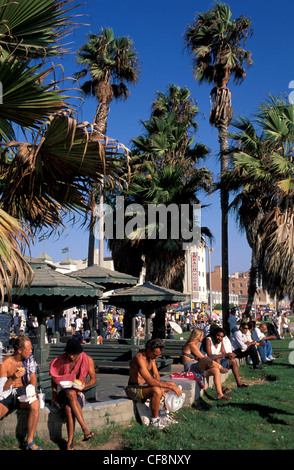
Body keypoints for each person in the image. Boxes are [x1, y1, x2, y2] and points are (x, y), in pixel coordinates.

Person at [49, 337, 96, 450]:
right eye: (69, 354)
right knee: (70, 393)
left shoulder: (87, 360)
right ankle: (85, 428)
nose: (71, 357)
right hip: (63, 393)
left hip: (79, 393)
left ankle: (69, 444)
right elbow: (54, 378)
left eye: (74, 355)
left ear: (79, 353)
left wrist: (85, 386)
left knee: (68, 409)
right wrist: (54, 396)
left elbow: (93, 379)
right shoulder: (62, 360)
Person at [125, 338, 182, 429]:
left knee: (172, 384)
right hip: (134, 388)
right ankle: (154, 421)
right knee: (157, 390)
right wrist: (166, 387)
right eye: (155, 355)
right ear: (148, 350)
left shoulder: (151, 357)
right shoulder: (139, 358)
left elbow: (156, 375)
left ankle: (164, 415)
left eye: (158, 356)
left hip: (145, 387)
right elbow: (150, 381)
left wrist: (165, 388)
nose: (156, 357)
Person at [0, 336, 41, 450]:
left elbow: (32, 376)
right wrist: (13, 377)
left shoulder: (28, 360)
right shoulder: (6, 363)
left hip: (22, 393)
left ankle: (30, 441)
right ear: (19, 350)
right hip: (7, 394)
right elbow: (2, 389)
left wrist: (32, 390)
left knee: (35, 403)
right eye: (28, 349)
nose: (31, 351)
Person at [182, 328, 232, 400]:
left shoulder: (195, 345)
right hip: (190, 368)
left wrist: (216, 366)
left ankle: (220, 394)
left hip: (196, 367)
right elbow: (202, 357)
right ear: (198, 336)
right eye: (202, 336)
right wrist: (219, 365)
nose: (203, 337)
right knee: (206, 359)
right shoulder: (191, 345)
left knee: (215, 370)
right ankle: (220, 368)